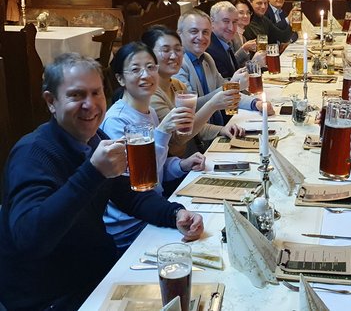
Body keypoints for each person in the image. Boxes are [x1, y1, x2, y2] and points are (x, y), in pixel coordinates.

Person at [0, 53, 203, 311]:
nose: (91, 105)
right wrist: (92, 172)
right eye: (77, 95)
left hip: (97, 273)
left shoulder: (94, 138)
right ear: (51, 101)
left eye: (96, 93)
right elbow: (30, 239)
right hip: (53, 296)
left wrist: (174, 213)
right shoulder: (32, 154)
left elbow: (127, 193)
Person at [100, 42, 207, 250]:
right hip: (131, 225)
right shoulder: (116, 121)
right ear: (120, 78)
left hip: (155, 211)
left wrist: (181, 165)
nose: (145, 75)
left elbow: (158, 168)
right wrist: (163, 131)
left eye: (151, 67)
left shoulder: (150, 112)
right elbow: (139, 184)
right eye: (135, 69)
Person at [141, 25, 243, 157]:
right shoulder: (150, 93)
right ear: (149, 55)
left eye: (178, 50)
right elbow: (179, 136)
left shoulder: (177, 85)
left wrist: (221, 129)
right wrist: (212, 105)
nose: (174, 56)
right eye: (165, 50)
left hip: (191, 159)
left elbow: (193, 123)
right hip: (171, 166)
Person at [174, 10, 273, 125]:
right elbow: (192, 107)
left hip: (218, 128)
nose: (201, 37)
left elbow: (227, 92)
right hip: (197, 136)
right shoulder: (177, 64)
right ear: (179, 33)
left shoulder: (206, 58)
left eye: (205, 32)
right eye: (194, 31)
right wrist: (232, 85)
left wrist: (255, 103)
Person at [206, 1, 245, 78]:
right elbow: (225, 81)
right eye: (226, 21)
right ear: (212, 22)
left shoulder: (226, 43)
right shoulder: (209, 48)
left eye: (234, 22)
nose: (231, 28)